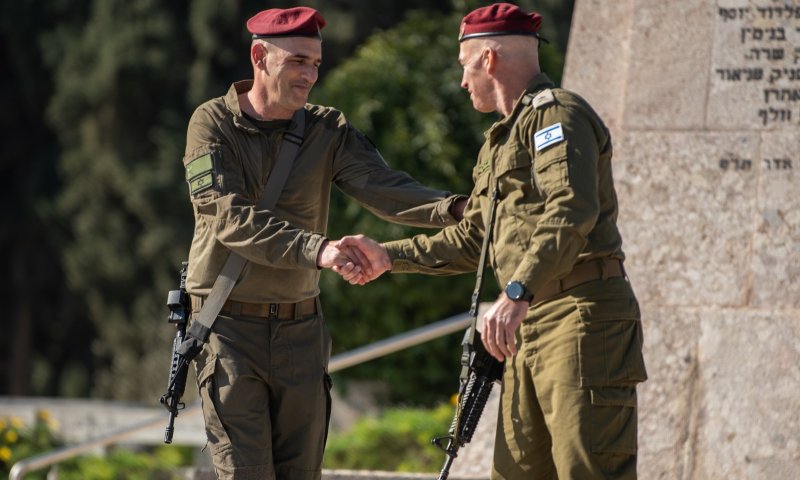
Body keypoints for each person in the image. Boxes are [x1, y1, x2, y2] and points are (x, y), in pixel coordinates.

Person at [336, 3, 648, 479]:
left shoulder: (556, 116)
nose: (463, 83)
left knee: (589, 471)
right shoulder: (499, 140)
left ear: (487, 58)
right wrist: (388, 257)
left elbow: (571, 208)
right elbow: (474, 239)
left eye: (465, 68)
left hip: (580, 319)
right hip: (523, 327)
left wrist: (517, 290)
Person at [180, 6, 466, 479]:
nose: (310, 74)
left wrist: (456, 209)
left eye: (316, 63)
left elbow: (382, 186)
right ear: (259, 57)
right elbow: (227, 216)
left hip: (301, 334)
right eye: (298, 61)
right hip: (229, 331)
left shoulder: (326, 129)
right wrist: (319, 250)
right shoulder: (211, 124)